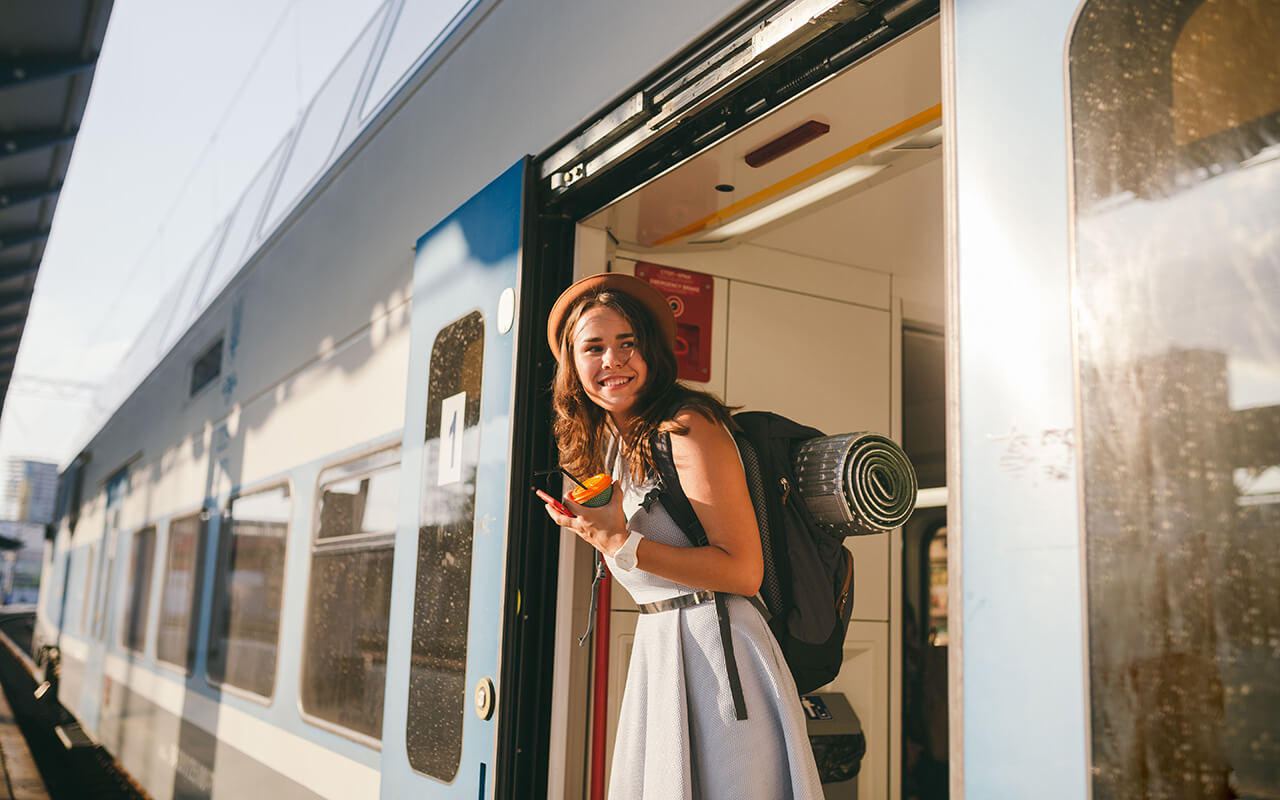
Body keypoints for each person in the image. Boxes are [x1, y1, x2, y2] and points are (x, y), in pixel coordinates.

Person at [543, 272, 824, 800]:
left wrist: (617, 544)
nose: (612, 361)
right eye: (594, 348)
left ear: (651, 349)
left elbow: (743, 570)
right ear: (573, 365)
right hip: (664, 645)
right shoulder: (608, 445)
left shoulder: (687, 427)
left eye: (628, 344)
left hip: (721, 654)